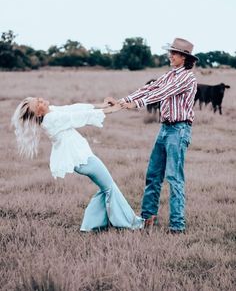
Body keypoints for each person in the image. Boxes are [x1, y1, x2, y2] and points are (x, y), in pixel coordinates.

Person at [104, 38, 198, 234]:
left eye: (175, 53)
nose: (170, 55)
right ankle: (147, 219)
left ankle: (177, 226)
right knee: (153, 175)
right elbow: (150, 88)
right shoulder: (168, 75)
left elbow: (164, 92)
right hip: (164, 129)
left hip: (179, 130)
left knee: (174, 178)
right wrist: (122, 101)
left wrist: (136, 105)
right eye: (170, 52)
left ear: (184, 57)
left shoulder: (187, 78)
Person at [11, 98, 144, 232]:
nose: (41, 100)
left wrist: (99, 105)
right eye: (37, 104)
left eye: (37, 99)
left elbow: (73, 108)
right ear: (39, 114)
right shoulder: (51, 119)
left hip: (82, 158)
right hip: (83, 160)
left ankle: (91, 226)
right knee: (109, 187)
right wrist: (111, 110)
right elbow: (78, 116)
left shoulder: (51, 112)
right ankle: (131, 223)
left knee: (106, 187)